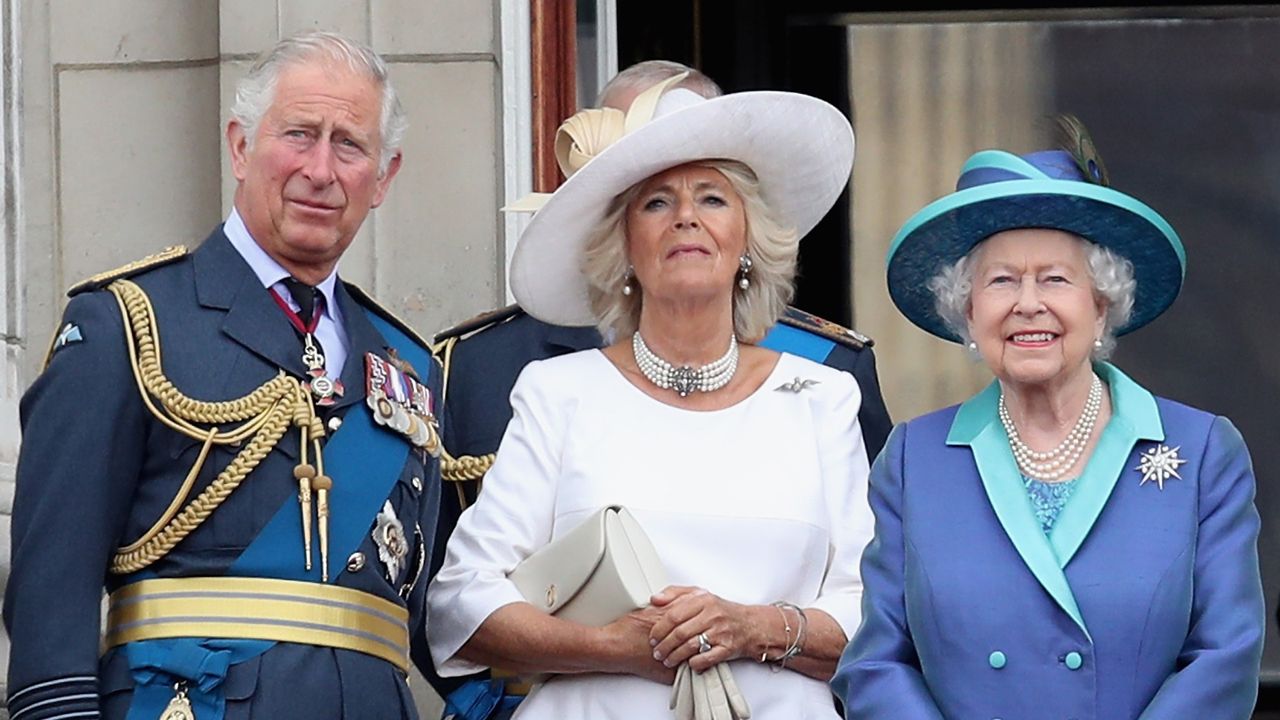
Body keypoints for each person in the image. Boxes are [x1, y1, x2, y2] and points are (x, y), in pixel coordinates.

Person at [4, 31, 445, 720]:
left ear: (383, 178)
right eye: (299, 134)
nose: (321, 170)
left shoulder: (407, 366)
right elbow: (49, 599)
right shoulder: (129, 322)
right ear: (241, 147)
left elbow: (426, 614)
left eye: (350, 145)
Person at [426, 72, 872, 720]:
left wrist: (752, 627)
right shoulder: (559, 392)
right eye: (657, 202)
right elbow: (461, 608)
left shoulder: (822, 398)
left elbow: (872, 616)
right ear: (625, 247)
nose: (686, 216)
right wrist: (616, 646)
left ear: (747, 240)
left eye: (712, 198)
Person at [832, 118, 1265, 718]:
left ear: (1102, 302)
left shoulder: (1204, 451)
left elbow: (1226, 657)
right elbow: (876, 663)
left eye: (1055, 279)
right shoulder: (914, 458)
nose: (1027, 303)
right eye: (1002, 280)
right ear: (969, 308)